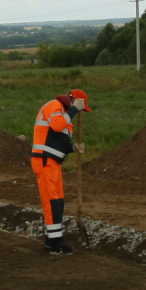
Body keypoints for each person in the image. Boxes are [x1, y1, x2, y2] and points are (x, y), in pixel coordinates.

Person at [31, 89, 89, 254]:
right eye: (81, 107)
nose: (80, 112)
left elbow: (57, 141)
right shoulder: (55, 106)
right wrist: (74, 109)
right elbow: (57, 126)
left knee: (58, 202)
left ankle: (53, 240)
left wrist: (72, 147)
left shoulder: (64, 114)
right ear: (75, 101)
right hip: (44, 160)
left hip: (53, 163)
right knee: (52, 202)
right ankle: (54, 243)